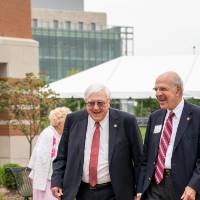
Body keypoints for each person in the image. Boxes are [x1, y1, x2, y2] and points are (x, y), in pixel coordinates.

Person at [51, 83, 143, 200]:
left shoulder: (126, 121)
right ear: (86, 102)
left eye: (100, 103)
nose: (95, 107)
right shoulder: (73, 120)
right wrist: (56, 181)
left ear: (109, 101)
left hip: (116, 192)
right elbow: (61, 156)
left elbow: (139, 160)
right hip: (80, 192)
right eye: (91, 103)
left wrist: (140, 190)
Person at [137, 71, 200, 200]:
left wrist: (194, 185)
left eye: (163, 89)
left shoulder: (197, 115)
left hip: (184, 189)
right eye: (156, 89)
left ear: (177, 90)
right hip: (154, 186)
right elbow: (146, 158)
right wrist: (140, 191)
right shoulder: (155, 117)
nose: (158, 93)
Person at [28, 107, 71, 200]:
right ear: (60, 122)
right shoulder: (49, 134)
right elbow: (44, 159)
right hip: (46, 180)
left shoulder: (56, 133)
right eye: (67, 123)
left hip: (50, 179)